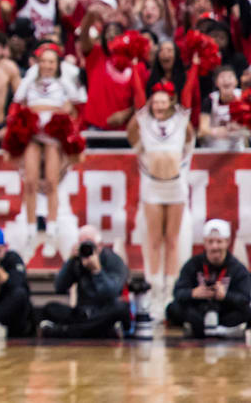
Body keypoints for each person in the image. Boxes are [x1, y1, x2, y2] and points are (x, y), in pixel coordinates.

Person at [127, 80, 196, 317]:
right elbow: (137, 96)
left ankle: (170, 292)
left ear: (170, 102)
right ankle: (155, 291)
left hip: (175, 185)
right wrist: (135, 65)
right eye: (154, 100)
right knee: (155, 241)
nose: (158, 104)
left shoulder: (180, 120)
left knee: (173, 240)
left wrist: (195, 66)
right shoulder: (145, 120)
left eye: (162, 100)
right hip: (152, 186)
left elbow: (188, 92)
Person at [11, 42, 79, 250]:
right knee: (30, 181)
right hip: (32, 135)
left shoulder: (63, 82)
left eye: (51, 61)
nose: (47, 65)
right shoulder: (30, 82)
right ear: (38, 63)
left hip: (52, 136)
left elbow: (76, 102)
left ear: (57, 63)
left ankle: (52, 226)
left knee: (52, 182)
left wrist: (65, 111)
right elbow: (18, 100)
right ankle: (31, 227)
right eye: (44, 61)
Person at [39, 225, 131, 338]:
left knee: (121, 307)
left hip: (104, 311)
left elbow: (112, 292)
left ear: (100, 246)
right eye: (82, 244)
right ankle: (99, 331)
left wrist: (97, 271)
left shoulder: (113, 260)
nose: (86, 249)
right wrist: (70, 260)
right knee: (50, 308)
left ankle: (65, 331)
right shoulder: (77, 260)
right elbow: (59, 287)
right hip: (82, 312)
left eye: (90, 244)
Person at [166, 219, 251, 338]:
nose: (214, 246)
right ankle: (198, 327)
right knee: (173, 308)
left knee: (247, 311)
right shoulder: (193, 264)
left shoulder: (237, 268)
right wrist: (194, 293)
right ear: (205, 243)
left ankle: (223, 329)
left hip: (224, 311)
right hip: (199, 309)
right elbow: (177, 292)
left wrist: (225, 295)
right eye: (210, 242)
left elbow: (245, 298)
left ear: (227, 242)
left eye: (219, 241)